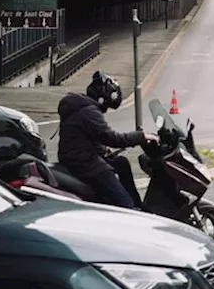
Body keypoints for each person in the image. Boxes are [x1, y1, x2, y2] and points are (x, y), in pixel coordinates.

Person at [57, 71, 157, 209]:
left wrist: (103, 150)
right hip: (84, 163)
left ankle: (137, 205)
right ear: (103, 98)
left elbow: (84, 138)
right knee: (124, 201)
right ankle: (129, 210)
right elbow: (112, 138)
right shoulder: (89, 112)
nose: (106, 110)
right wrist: (141, 136)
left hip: (79, 157)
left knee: (121, 163)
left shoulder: (83, 106)